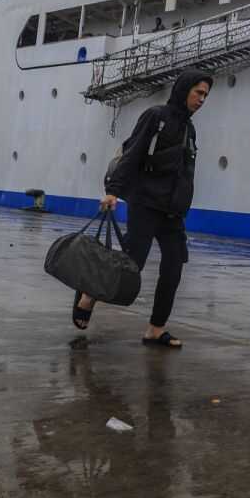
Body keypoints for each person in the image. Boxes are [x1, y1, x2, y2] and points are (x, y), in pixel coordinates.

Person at [73, 70, 212, 347]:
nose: (202, 99)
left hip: (172, 212)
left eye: (206, 95)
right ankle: (89, 295)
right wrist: (113, 191)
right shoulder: (155, 116)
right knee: (131, 263)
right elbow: (133, 153)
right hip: (146, 204)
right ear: (184, 89)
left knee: (173, 268)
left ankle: (155, 329)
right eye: (198, 92)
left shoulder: (190, 129)